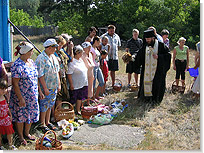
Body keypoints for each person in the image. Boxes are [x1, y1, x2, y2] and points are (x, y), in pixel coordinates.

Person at [9, 42, 39, 145]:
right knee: (21, 116)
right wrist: (20, 98)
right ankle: (21, 137)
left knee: (30, 114)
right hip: (22, 96)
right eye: (31, 51)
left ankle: (27, 133)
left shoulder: (31, 62)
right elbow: (15, 84)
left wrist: (38, 91)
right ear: (25, 52)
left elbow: (35, 78)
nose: (32, 53)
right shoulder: (17, 65)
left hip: (32, 95)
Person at [134, 29, 171, 104]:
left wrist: (159, 57)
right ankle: (145, 99)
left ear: (153, 38)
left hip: (157, 71)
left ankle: (155, 100)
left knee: (156, 84)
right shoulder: (145, 46)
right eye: (146, 39)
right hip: (147, 71)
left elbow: (168, 55)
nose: (147, 40)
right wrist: (133, 58)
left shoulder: (161, 45)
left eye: (148, 39)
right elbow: (139, 56)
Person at [35, 39, 60, 133]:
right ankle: (42, 123)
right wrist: (44, 88)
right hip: (46, 86)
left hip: (53, 85)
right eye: (54, 47)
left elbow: (57, 70)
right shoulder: (41, 58)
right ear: (49, 48)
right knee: (44, 104)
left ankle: (47, 121)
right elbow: (40, 75)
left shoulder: (53, 56)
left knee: (50, 104)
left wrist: (59, 84)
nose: (55, 49)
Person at [51, 36, 70, 122]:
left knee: (61, 96)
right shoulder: (53, 54)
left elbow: (68, 58)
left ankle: (60, 113)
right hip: (55, 77)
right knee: (57, 97)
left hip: (63, 75)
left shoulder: (61, 52)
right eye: (60, 45)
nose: (61, 47)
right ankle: (55, 115)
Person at [67, 45, 88, 115]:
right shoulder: (72, 62)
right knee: (73, 99)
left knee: (80, 97)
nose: (82, 54)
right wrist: (71, 84)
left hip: (82, 83)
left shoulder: (81, 60)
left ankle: (78, 110)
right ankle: (70, 112)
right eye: (81, 52)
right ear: (77, 53)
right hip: (75, 84)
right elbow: (69, 74)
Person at [0, 79, 17, 150]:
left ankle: (11, 145)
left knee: (9, 133)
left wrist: (10, 114)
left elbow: (7, 107)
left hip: (6, 118)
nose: (4, 90)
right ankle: (0, 146)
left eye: (5, 89)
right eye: (1, 89)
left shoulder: (5, 97)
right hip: (0, 119)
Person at [90, 36, 105, 100]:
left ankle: (96, 95)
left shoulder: (96, 49)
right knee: (93, 83)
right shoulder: (91, 49)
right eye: (99, 42)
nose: (99, 43)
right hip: (93, 67)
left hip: (98, 66)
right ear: (95, 41)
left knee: (102, 81)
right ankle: (92, 97)